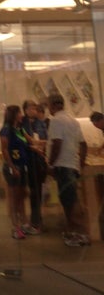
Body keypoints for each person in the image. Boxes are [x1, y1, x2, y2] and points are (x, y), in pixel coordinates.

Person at [47, 93, 90, 247]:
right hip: (73, 164)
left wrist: (50, 164)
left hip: (63, 166)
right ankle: (75, 232)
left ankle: (78, 233)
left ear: (53, 105)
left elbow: (57, 144)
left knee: (69, 202)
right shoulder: (73, 121)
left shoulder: (56, 121)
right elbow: (83, 145)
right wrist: (81, 164)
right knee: (72, 200)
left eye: (48, 106)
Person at [0, 105, 36, 239]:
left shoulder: (19, 128)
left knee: (22, 194)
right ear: (14, 115)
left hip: (22, 165)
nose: (22, 115)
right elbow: (4, 150)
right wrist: (12, 167)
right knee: (15, 198)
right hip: (13, 167)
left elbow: (30, 140)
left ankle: (24, 222)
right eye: (19, 113)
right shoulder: (6, 130)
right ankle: (15, 227)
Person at [21, 99, 48, 231]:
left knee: (38, 190)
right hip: (28, 160)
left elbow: (45, 140)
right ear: (25, 110)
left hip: (39, 160)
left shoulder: (40, 123)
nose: (33, 110)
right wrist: (33, 145)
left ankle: (38, 219)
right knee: (32, 191)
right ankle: (34, 219)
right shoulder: (22, 124)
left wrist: (37, 144)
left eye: (34, 108)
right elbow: (23, 141)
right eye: (30, 108)